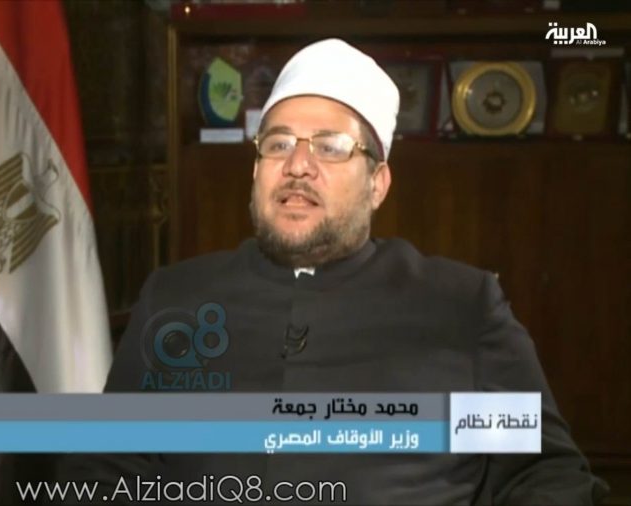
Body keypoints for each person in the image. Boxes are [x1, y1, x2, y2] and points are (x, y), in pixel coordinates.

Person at [60, 39, 607, 505]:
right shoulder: (176, 298)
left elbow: (545, 475)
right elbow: (104, 468)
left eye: (331, 147)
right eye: (278, 144)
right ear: (256, 169)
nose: (298, 166)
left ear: (377, 183)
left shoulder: (461, 306)